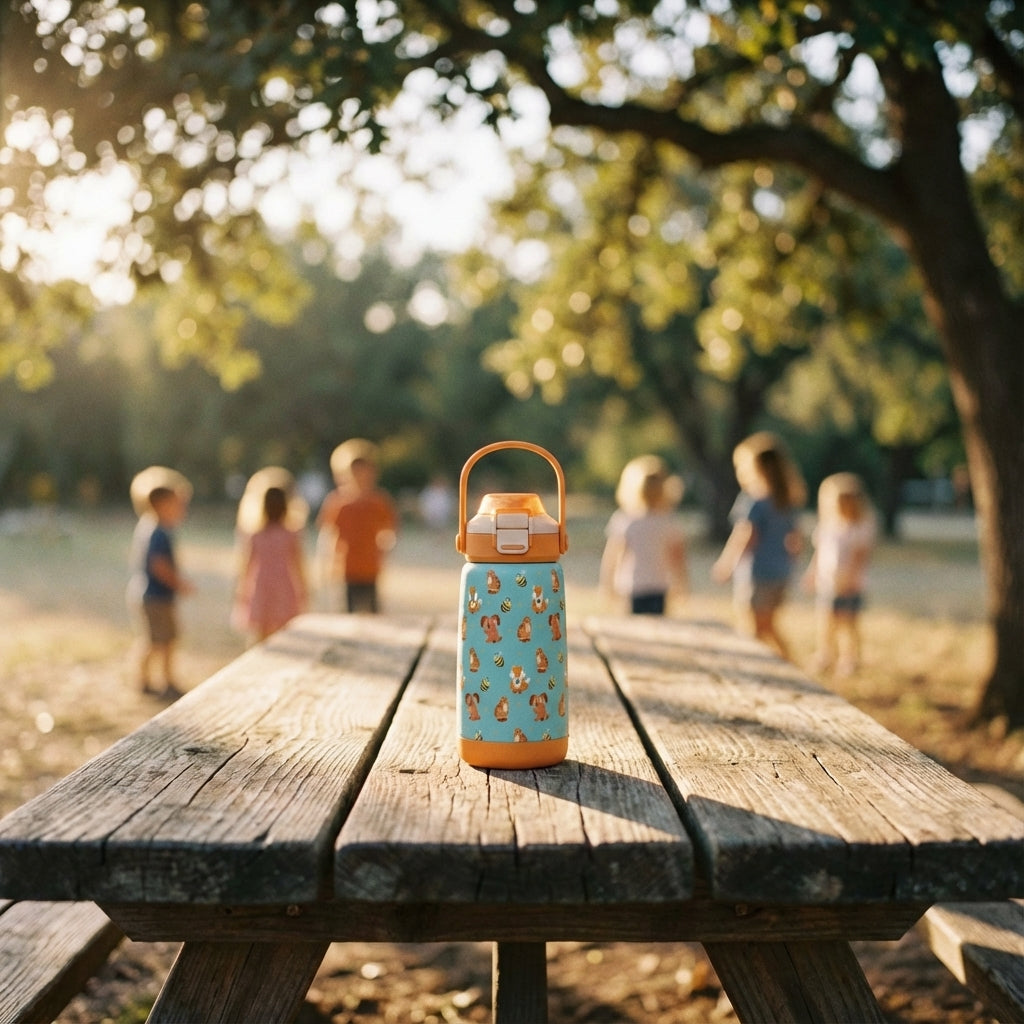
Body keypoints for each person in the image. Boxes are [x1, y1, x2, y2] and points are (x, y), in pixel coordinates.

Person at [711, 432, 805, 658]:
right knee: (767, 625)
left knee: (752, 626)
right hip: (780, 572)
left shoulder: (754, 500)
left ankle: (764, 665)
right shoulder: (786, 501)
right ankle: (787, 660)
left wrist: (726, 564)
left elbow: (745, 536)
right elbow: (795, 540)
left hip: (758, 572)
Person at [127, 467, 195, 698]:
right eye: (177, 504)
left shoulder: (152, 527)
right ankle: (158, 681)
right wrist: (180, 584)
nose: (181, 509)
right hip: (156, 597)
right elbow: (158, 565)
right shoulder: (158, 532)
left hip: (154, 596)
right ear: (161, 505)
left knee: (161, 640)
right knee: (160, 641)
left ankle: (155, 679)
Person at [803, 472, 876, 676]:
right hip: (828, 583)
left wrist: (847, 580)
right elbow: (819, 553)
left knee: (848, 623)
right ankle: (825, 654)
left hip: (850, 586)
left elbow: (859, 559)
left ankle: (850, 658)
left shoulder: (860, 528)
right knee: (826, 621)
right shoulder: (828, 525)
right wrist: (812, 573)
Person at [316, 439, 398, 613]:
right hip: (345, 569)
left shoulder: (379, 501)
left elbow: (390, 531)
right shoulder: (337, 503)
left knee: (372, 614)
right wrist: (325, 565)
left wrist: (385, 549)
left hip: (370, 568)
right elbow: (327, 534)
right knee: (347, 615)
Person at [600, 454, 688, 615]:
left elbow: (612, 556)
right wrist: (681, 584)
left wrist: (608, 585)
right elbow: (677, 557)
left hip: (633, 586)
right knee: (656, 628)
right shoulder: (668, 521)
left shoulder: (626, 520)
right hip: (657, 585)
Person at [232, 468, 309, 642]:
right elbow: (298, 563)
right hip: (283, 585)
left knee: (261, 632)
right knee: (284, 631)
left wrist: (241, 591)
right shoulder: (291, 533)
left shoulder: (255, 534)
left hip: (261, 585)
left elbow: (246, 565)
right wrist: (304, 590)